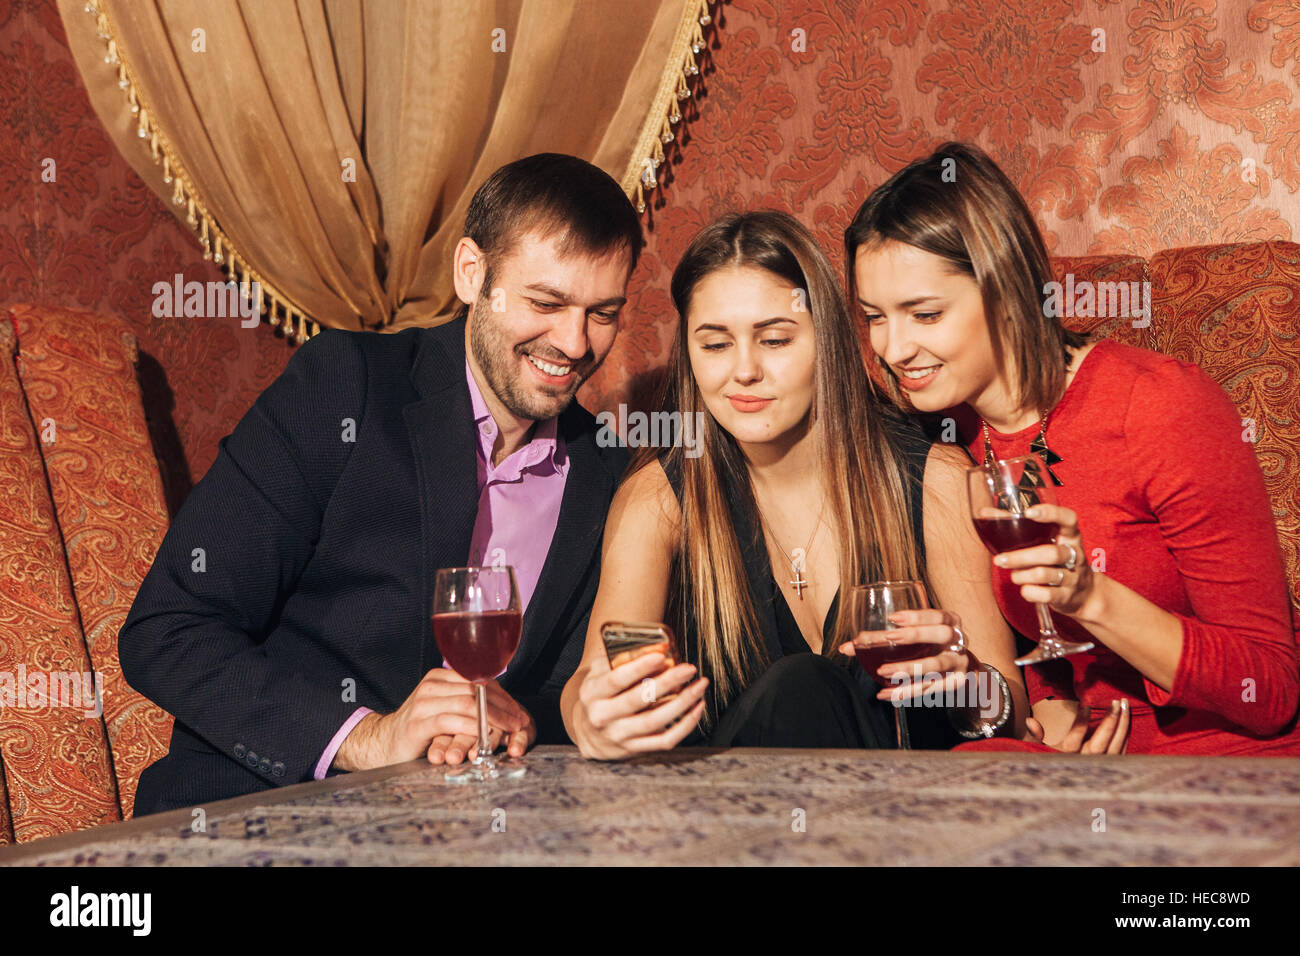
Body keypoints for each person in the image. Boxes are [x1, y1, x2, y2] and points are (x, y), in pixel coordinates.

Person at [120, 153, 638, 813]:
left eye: (603, 312)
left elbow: (564, 698)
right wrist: (363, 737)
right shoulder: (348, 385)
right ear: (472, 273)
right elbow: (169, 628)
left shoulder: (606, 472)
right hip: (262, 820)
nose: (573, 342)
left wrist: (525, 721)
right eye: (546, 301)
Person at [846, 141, 1300, 755]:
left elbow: (1268, 689)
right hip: (1079, 759)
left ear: (1006, 293)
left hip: (1219, 747)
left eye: (924, 315)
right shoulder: (946, 436)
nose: (893, 350)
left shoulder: (1160, 405)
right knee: (968, 766)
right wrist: (1043, 698)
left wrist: (1091, 595)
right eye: (875, 317)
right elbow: (1038, 654)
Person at [561, 210, 1030, 759]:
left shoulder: (935, 480)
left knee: (808, 685)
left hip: (902, 823)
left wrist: (967, 682)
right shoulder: (659, 500)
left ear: (825, 338)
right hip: (737, 826)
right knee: (797, 688)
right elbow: (596, 676)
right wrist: (586, 718)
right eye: (715, 345)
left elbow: (1010, 710)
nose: (744, 371)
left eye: (776, 340)